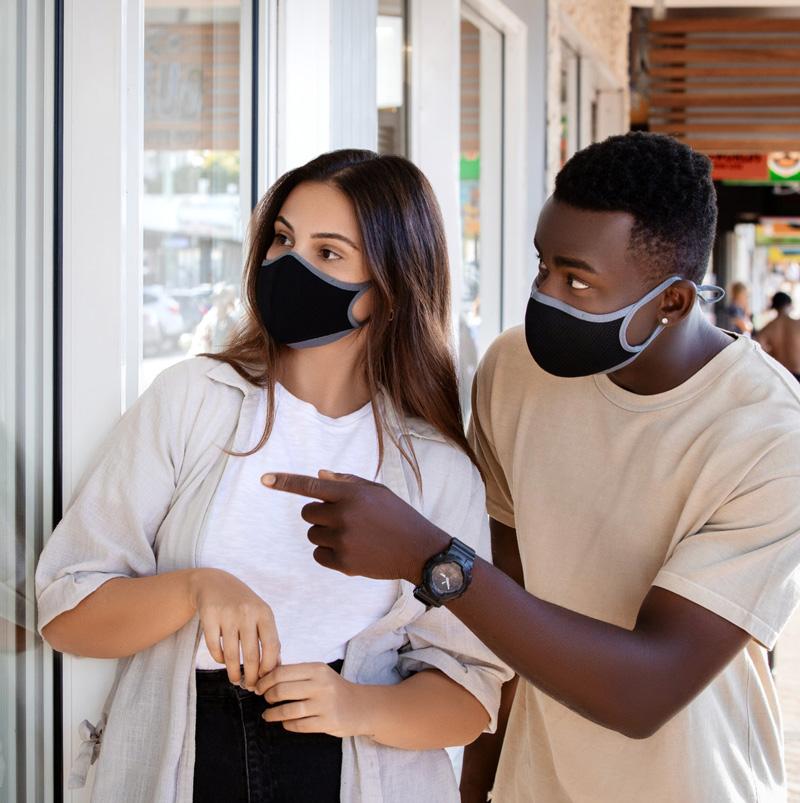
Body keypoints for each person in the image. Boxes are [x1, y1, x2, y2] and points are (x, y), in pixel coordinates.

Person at [262, 133, 800, 802]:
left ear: (673, 302)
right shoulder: (515, 370)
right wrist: (477, 788)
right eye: (542, 265)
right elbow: (502, 619)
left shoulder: (769, 436)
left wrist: (431, 558)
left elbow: (646, 689)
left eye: (576, 280)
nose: (545, 295)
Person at [35, 149, 510, 803]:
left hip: (354, 773)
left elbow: (472, 694)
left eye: (328, 252)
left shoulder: (437, 469)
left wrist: (357, 705)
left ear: (389, 287)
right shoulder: (193, 400)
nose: (290, 266)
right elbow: (67, 614)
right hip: (185, 764)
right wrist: (197, 589)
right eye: (283, 240)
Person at [756, 291, 800, 381]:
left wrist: (773, 354)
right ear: (789, 305)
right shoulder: (797, 324)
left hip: (781, 375)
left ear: (774, 307)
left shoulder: (768, 328)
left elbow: (757, 350)